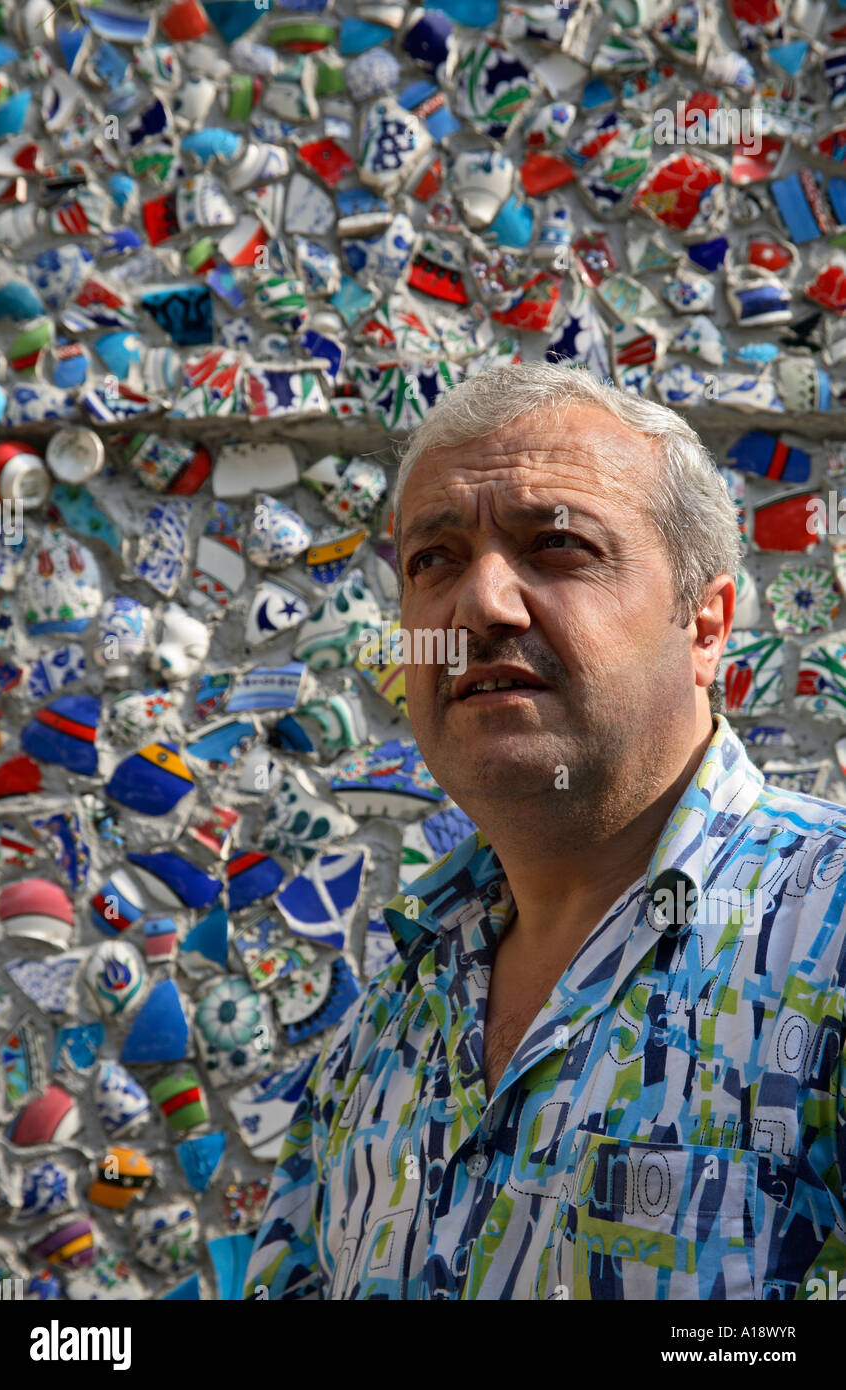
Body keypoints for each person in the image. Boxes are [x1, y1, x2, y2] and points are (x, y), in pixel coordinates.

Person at [243, 361, 846, 1300]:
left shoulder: (831, 937)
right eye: (432, 560)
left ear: (706, 626)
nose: (482, 607)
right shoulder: (390, 1014)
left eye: (558, 545)